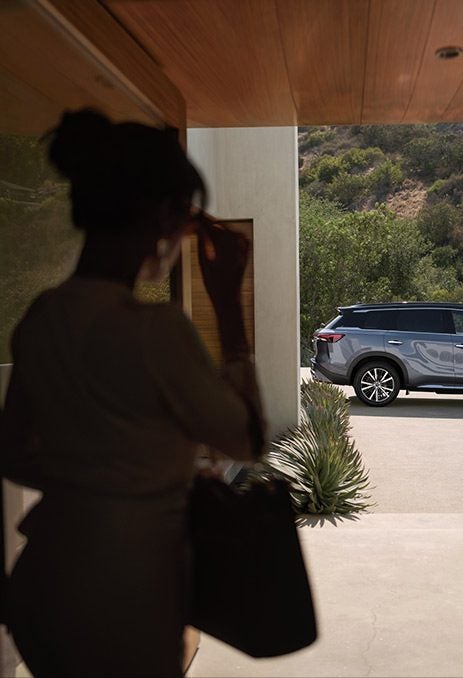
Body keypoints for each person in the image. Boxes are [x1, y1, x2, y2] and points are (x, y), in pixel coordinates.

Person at [0, 109, 265, 678]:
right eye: (185, 215)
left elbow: (13, 454)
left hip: (43, 583)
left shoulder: (43, 316)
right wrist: (226, 303)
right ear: (159, 215)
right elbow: (247, 440)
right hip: (125, 595)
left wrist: (98, 475)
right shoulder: (156, 331)